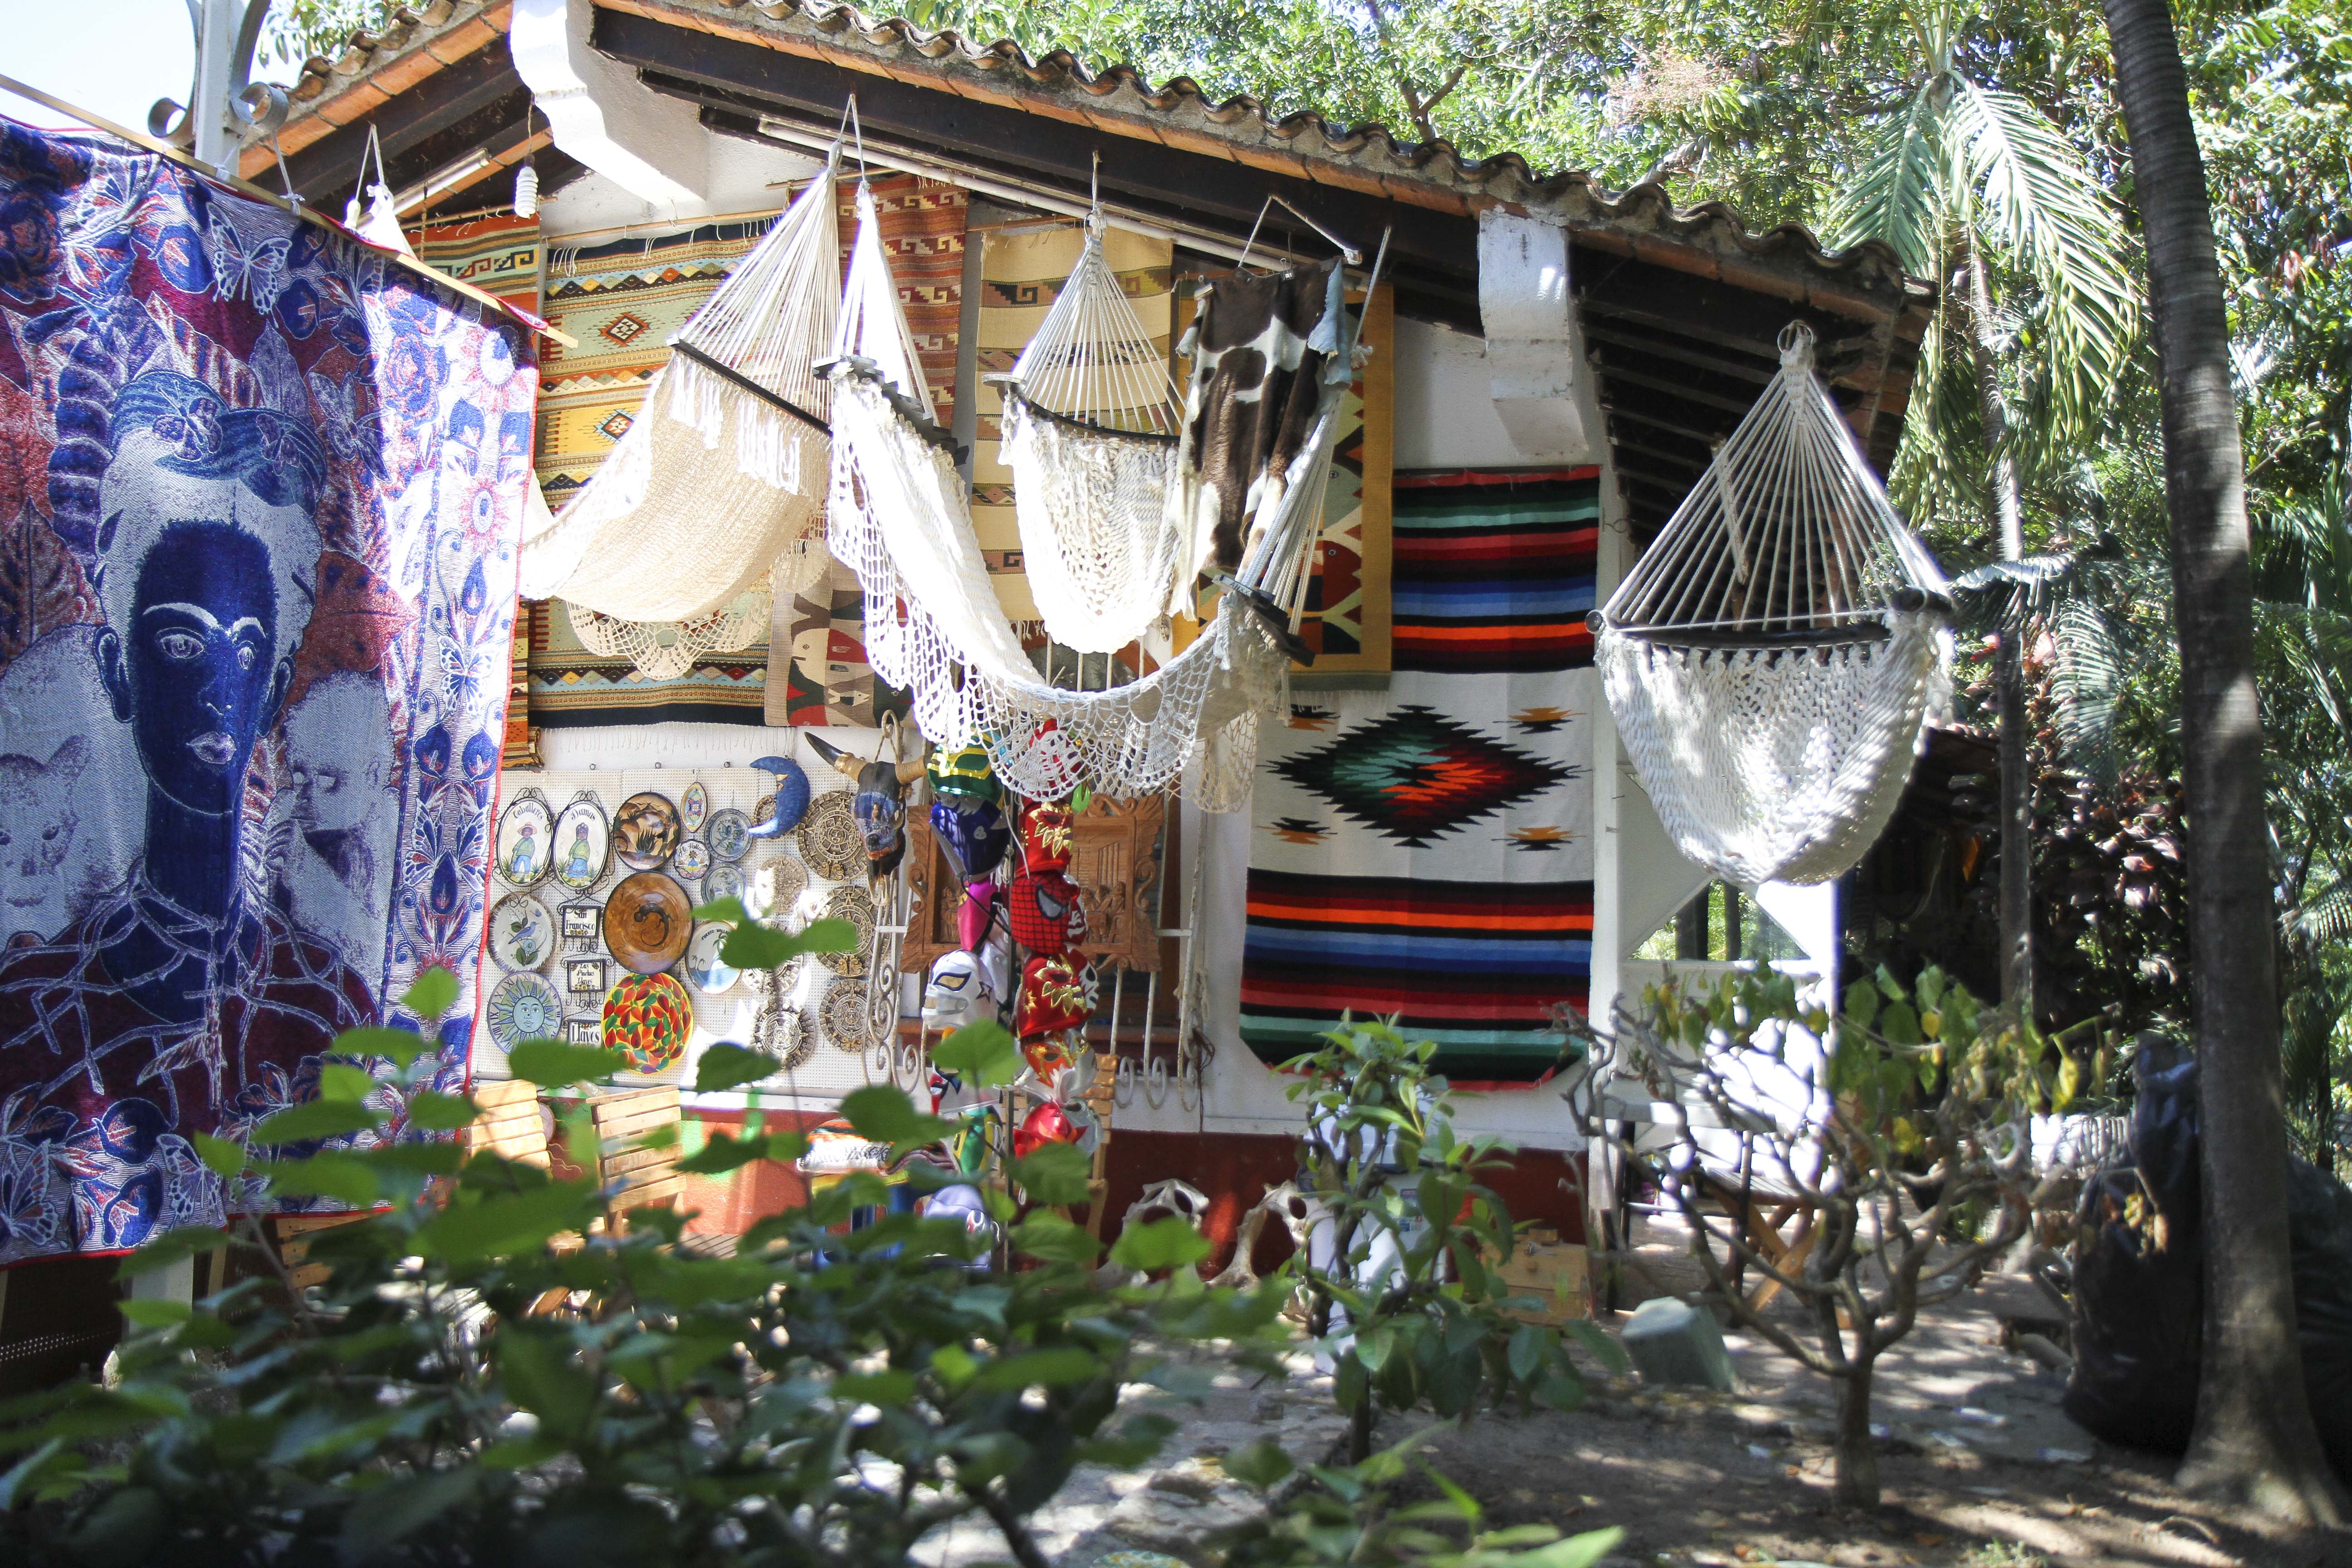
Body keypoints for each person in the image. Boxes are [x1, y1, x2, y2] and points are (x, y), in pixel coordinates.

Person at [0, 371, 375, 1261]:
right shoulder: (31, 1012)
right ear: (118, 669)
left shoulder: (328, 1004)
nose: (216, 692)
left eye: (246, 653)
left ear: (274, 691)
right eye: (179, 643)